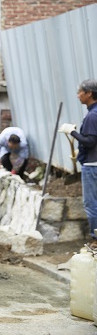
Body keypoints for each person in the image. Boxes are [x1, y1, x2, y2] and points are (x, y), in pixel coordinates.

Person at [59, 79, 97, 242]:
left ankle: (95, 238)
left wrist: (72, 132)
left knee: (91, 204)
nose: (77, 95)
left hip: (92, 165)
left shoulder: (92, 115)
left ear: (89, 93)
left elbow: (90, 141)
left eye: (80, 92)